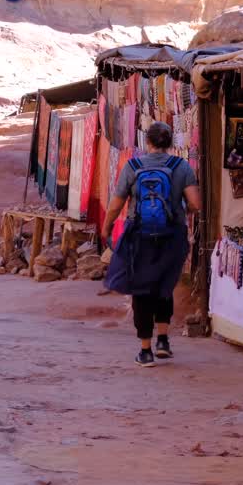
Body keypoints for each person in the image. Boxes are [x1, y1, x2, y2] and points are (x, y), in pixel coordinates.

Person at [103, 122, 202, 367]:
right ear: (170, 143)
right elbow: (196, 203)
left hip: (140, 236)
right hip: (172, 236)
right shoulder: (182, 167)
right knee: (164, 285)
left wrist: (107, 227)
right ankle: (163, 341)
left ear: (147, 142)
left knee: (142, 289)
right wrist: (180, 211)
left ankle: (145, 350)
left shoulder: (133, 166)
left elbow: (116, 204)